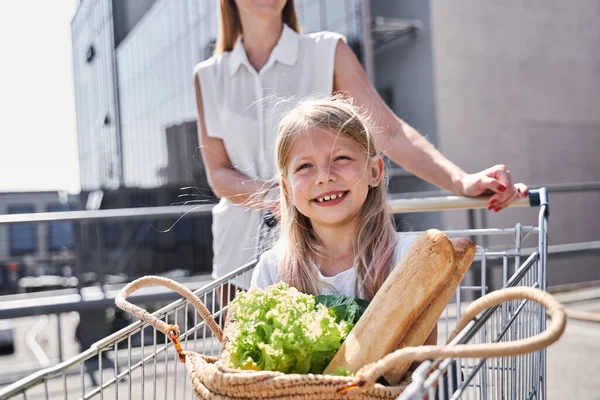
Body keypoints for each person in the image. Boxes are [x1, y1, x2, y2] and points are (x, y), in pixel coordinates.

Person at [193, 0, 528, 303]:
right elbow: (218, 173)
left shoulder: (327, 51)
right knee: (247, 364)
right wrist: (279, 194)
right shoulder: (208, 76)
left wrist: (461, 181)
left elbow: (390, 132)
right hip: (236, 256)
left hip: (333, 253)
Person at [251, 96, 436, 343]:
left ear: (374, 172)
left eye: (340, 158)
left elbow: (419, 366)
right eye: (305, 166)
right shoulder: (273, 270)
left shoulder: (408, 258)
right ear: (287, 190)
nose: (324, 177)